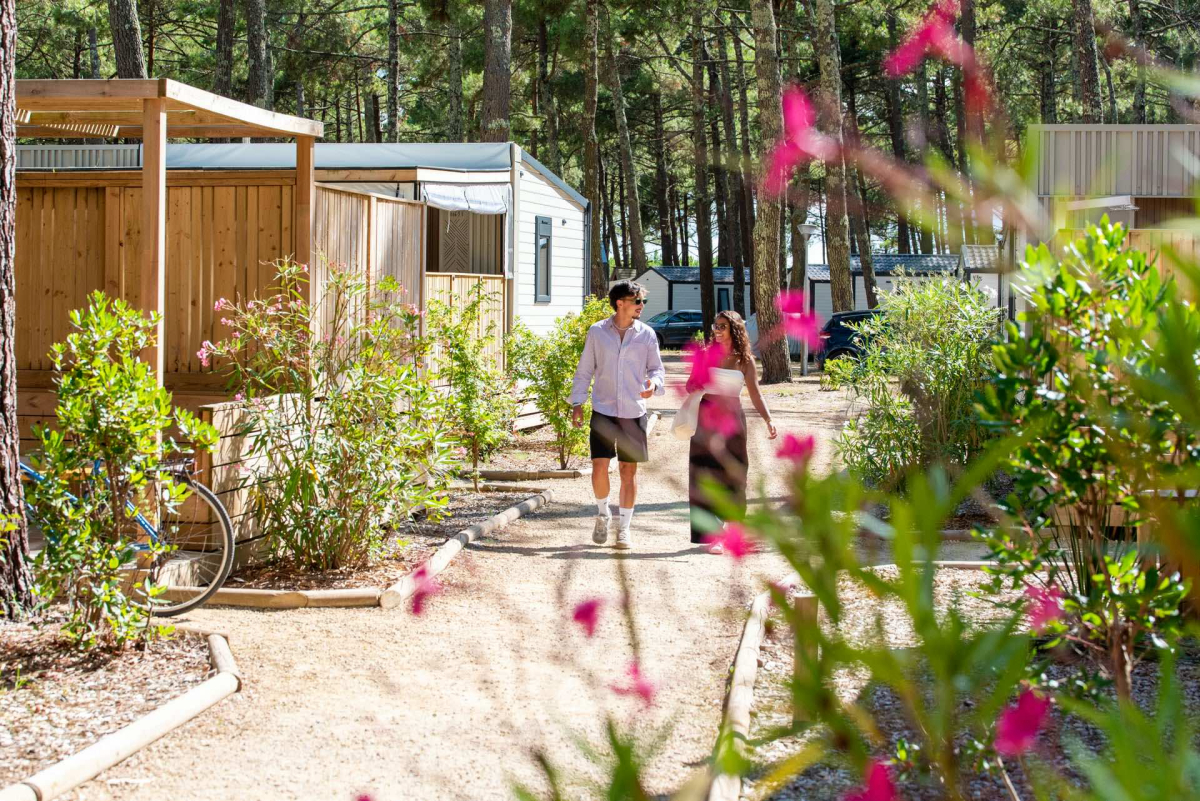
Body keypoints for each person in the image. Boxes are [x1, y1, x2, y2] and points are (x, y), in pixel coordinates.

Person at [569, 280, 666, 550]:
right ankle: (603, 513)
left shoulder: (646, 334)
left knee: (627, 470)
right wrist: (578, 402)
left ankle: (624, 529)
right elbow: (585, 370)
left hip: (633, 412)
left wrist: (654, 385)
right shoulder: (597, 332)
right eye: (637, 301)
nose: (641, 306)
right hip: (603, 410)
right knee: (599, 467)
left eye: (641, 301)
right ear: (620, 302)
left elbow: (657, 370)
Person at [672, 310, 777, 552]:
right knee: (703, 475)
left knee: (735, 473)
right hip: (706, 417)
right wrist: (696, 382)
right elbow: (690, 385)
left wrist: (768, 419)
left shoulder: (745, 360)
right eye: (715, 326)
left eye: (722, 327)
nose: (716, 331)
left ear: (734, 329)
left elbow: (755, 393)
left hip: (733, 419)